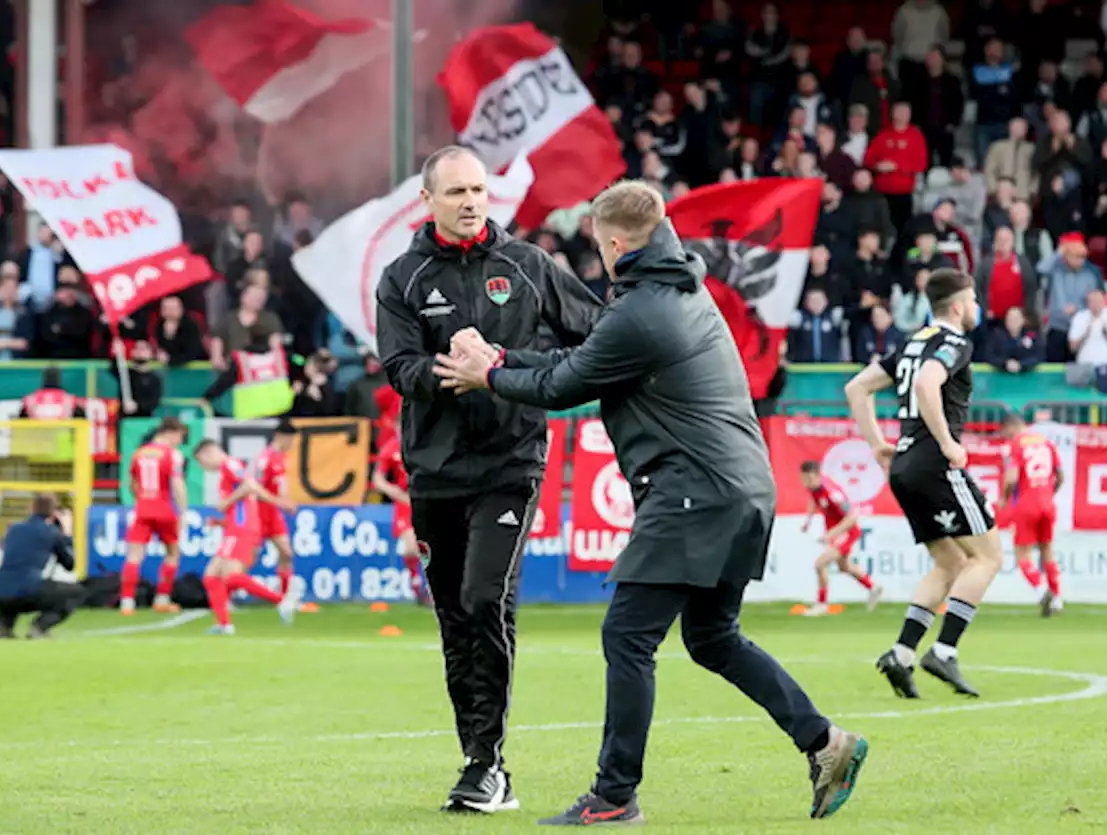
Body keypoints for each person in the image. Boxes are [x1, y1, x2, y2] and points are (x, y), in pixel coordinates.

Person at [433, 180, 868, 825]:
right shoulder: (681, 290)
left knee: (628, 635)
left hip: (695, 491)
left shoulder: (642, 311)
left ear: (612, 244)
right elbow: (586, 359)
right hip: (744, 488)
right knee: (713, 637)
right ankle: (826, 742)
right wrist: (500, 355)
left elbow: (561, 384)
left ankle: (614, 797)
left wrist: (487, 374)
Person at [374, 145, 603, 814]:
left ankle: (488, 763)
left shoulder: (529, 266)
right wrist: (454, 368)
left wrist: (505, 365)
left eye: (478, 189)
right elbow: (399, 368)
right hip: (434, 471)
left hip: (511, 463)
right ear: (428, 201)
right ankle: (479, 761)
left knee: (483, 598)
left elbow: (595, 337)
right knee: (455, 618)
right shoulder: (402, 277)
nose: (472, 201)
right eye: (457, 192)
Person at [845, 268, 1003, 699]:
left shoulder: (913, 341)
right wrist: (948, 442)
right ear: (957, 305)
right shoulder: (954, 343)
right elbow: (926, 381)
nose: (977, 307)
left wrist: (879, 444)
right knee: (989, 557)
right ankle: (945, 651)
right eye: (972, 299)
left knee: (951, 563)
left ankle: (901, 653)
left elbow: (857, 388)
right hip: (936, 464)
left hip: (904, 465)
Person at [191, 441, 300, 635]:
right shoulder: (228, 470)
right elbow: (243, 502)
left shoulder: (230, 465)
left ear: (208, 454)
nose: (203, 467)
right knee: (211, 576)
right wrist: (221, 521)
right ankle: (225, 624)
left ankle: (281, 601)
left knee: (230, 576)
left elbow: (250, 485)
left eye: (201, 462)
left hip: (242, 529)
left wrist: (226, 503)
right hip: (236, 527)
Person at [0, 494, 84, 639]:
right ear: (53, 513)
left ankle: (4, 625)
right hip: (26, 592)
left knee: (15, 586)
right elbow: (69, 564)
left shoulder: (13, 529)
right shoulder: (51, 533)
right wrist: (67, 533)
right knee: (76, 592)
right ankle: (40, 626)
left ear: (31, 509)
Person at [119, 418, 189, 615]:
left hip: (142, 508)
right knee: (173, 553)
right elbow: (177, 484)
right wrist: (183, 510)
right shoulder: (173, 455)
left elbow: (131, 483)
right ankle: (162, 598)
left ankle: (127, 602)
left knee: (134, 555)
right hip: (165, 509)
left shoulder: (139, 453)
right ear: (171, 432)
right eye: (180, 437)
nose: (179, 441)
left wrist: (141, 498)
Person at [798, 460, 882, 616]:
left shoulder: (832, 493)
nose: (806, 483)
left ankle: (821, 604)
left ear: (817, 476)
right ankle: (873, 587)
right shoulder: (814, 489)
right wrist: (808, 521)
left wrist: (832, 533)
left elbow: (851, 517)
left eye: (808, 479)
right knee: (844, 567)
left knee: (820, 564)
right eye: (804, 479)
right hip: (837, 533)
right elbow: (813, 500)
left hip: (847, 531)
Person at [1001, 412, 1064, 616]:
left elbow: (1012, 478)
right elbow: (1061, 474)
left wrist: (1004, 499)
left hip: (1026, 504)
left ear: (1011, 427)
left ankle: (1041, 592)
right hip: (1047, 502)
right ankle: (1057, 599)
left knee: (1023, 554)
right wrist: (1050, 493)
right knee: (1047, 550)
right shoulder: (1046, 442)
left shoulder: (1017, 443)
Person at [373, 420, 431, 606]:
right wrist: (395, 493)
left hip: (426, 499)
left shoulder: (424, 445)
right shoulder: (391, 448)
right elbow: (377, 480)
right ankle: (417, 588)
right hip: (405, 503)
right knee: (411, 547)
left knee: (432, 546)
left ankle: (433, 589)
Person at [253, 419, 298, 598]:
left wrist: (285, 501)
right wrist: (280, 502)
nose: (292, 443)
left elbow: (279, 486)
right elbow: (255, 488)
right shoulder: (264, 459)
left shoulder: (281, 457)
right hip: (258, 513)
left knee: (287, 553)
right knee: (246, 559)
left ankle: (285, 597)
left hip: (273, 514)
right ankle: (227, 594)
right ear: (280, 436)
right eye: (291, 439)